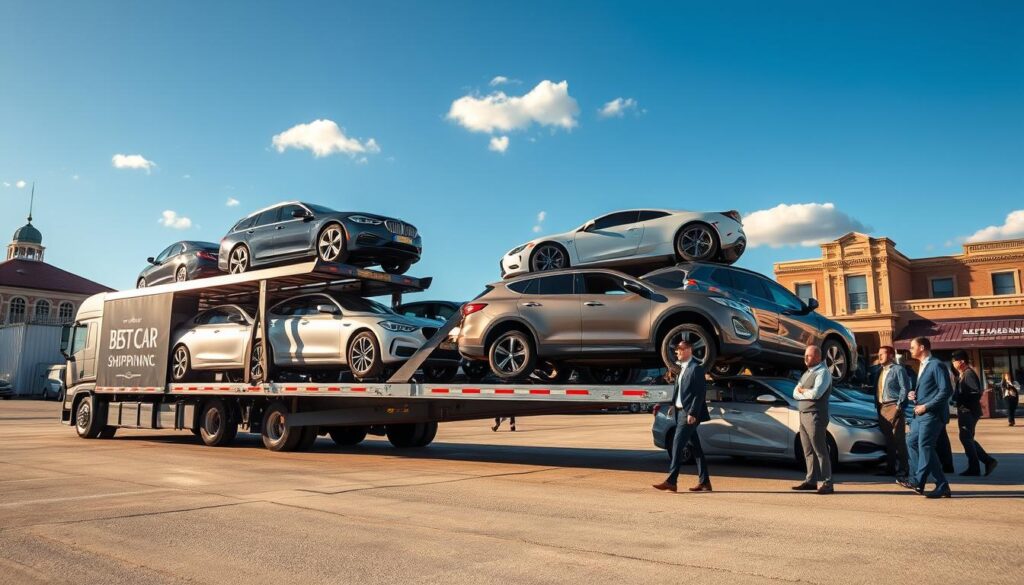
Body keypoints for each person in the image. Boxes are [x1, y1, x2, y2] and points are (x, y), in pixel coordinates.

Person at [652, 340, 712, 493]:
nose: (676, 351)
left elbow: (699, 394)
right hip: (680, 412)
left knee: (677, 445)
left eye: (679, 349)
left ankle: (671, 481)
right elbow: (679, 391)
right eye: (677, 349)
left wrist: (693, 413)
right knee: (696, 449)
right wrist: (673, 405)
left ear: (688, 350)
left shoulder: (696, 369)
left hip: (688, 414)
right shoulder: (682, 369)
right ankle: (705, 482)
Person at [901, 337, 953, 498]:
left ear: (922, 347)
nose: (910, 350)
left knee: (925, 445)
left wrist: (926, 406)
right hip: (919, 414)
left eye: (912, 347)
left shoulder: (936, 365)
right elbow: (930, 390)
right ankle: (940, 484)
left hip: (932, 414)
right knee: (911, 442)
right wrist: (914, 394)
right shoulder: (923, 365)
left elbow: (946, 391)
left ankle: (918, 480)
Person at [791, 345, 834, 495]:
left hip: (815, 415)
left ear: (817, 357)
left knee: (820, 450)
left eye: (808, 355)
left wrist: (802, 391)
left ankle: (828, 483)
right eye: (805, 355)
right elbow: (794, 393)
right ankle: (811, 481)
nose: (805, 358)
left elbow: (816, 394)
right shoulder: (807, 373)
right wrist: (804, 392)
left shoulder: (823, 373)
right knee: (808, 450)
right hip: (803, 415)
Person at [951, 350, 997, 476]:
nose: (953, 363)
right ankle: (985, 462)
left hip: (968, 411)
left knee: (966, 438)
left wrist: (961, 402)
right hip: (966, 410)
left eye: (954, 361)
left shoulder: (968, 374)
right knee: (967, 438)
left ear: (961, 361)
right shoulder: (962, 374)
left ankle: (978, 465)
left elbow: (975, 392)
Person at [868, 346, 911, 480]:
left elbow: (905, 388)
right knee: (889, 440)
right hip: (882, 407)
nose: (879, 356)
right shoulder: (879, 371)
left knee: (899, 439)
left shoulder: (898, 369)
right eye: (879, 354)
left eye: (883, 354)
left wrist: (899, 406)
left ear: (891, 355)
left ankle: (904, 469)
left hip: (893, 405)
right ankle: (890, 468)